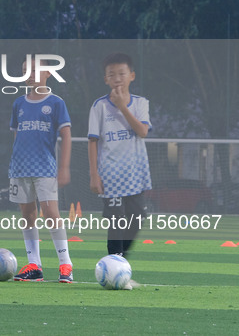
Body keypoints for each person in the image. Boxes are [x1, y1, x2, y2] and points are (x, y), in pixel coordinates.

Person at [88, 52, 152, 289]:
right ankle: (115, 270)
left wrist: (123, 107)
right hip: (110, 175)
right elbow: (93, 141)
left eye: (121, 73)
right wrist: (94, 174)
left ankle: (118, 263)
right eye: (111, 75)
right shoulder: (99, 107)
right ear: (105, 79)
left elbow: (142, 131)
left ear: (131, 76)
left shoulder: (141, 103)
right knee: (117, 222)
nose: (117, 78)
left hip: (135, 175)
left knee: (137, 220)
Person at [9, 58, 73, 283]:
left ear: (48, 73)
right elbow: (17, 135)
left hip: (45, 167)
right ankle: (34, 265)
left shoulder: (56, 103)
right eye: (25, 70)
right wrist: (14, 163)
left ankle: (66, 264)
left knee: (51, 214)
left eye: (34, 69)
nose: (29, 74)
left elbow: (66, 135)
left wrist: (64, 167)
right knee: (27, 216)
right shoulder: (19, 103)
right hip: (20, 168)